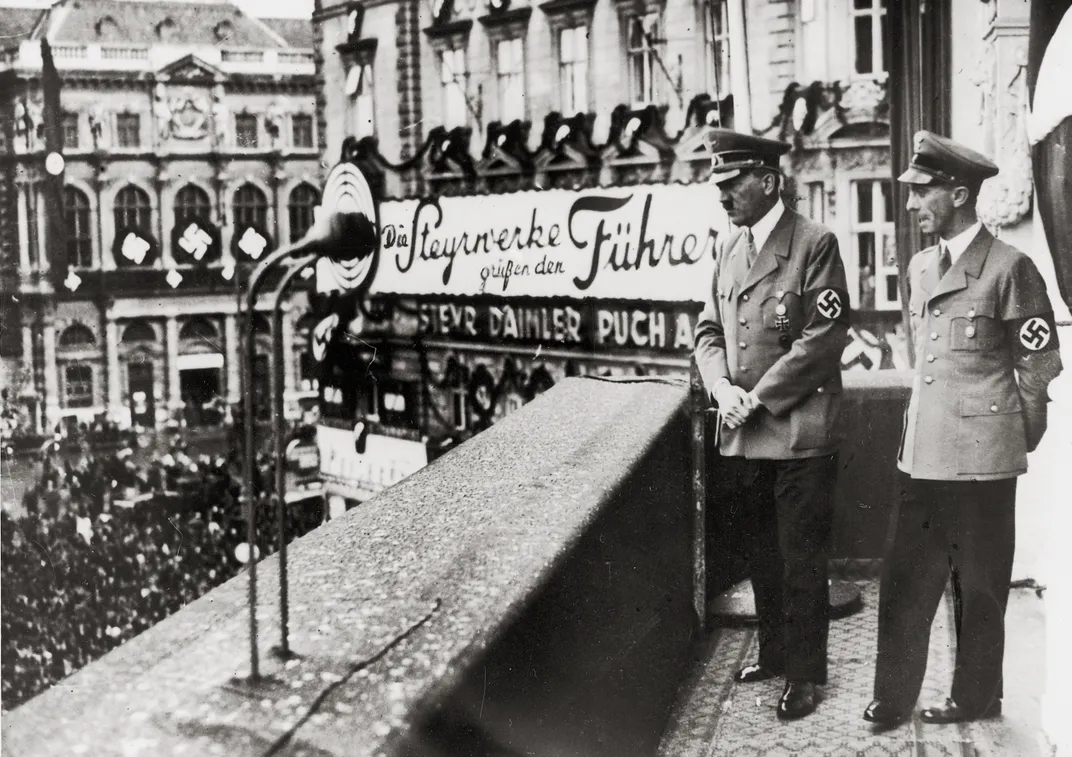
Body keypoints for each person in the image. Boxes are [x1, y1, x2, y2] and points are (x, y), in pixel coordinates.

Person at [864, 131, 1063, 727]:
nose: (911, 204)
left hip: (984, 459)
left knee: (980, 590)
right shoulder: (923, 266)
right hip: (922, 453)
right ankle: (892, 696)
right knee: (904, 580)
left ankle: (976, 697)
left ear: (957, 193)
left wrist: (1013, 436)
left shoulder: (1011, 267)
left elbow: (1039, 361)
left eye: (921, 192)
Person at [694, 128, 851, 720]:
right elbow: (708, 331)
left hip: (799, 429)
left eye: (732, 183)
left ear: (768, 181)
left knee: (802, 555)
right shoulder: (728, 249)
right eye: (719, 185)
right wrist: (720, 387)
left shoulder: (815, 243)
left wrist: (754, 397)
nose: (723, 195)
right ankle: (776, 651)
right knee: (762, 550)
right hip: (745, 430)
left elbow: (824, 338)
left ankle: (807, 675)